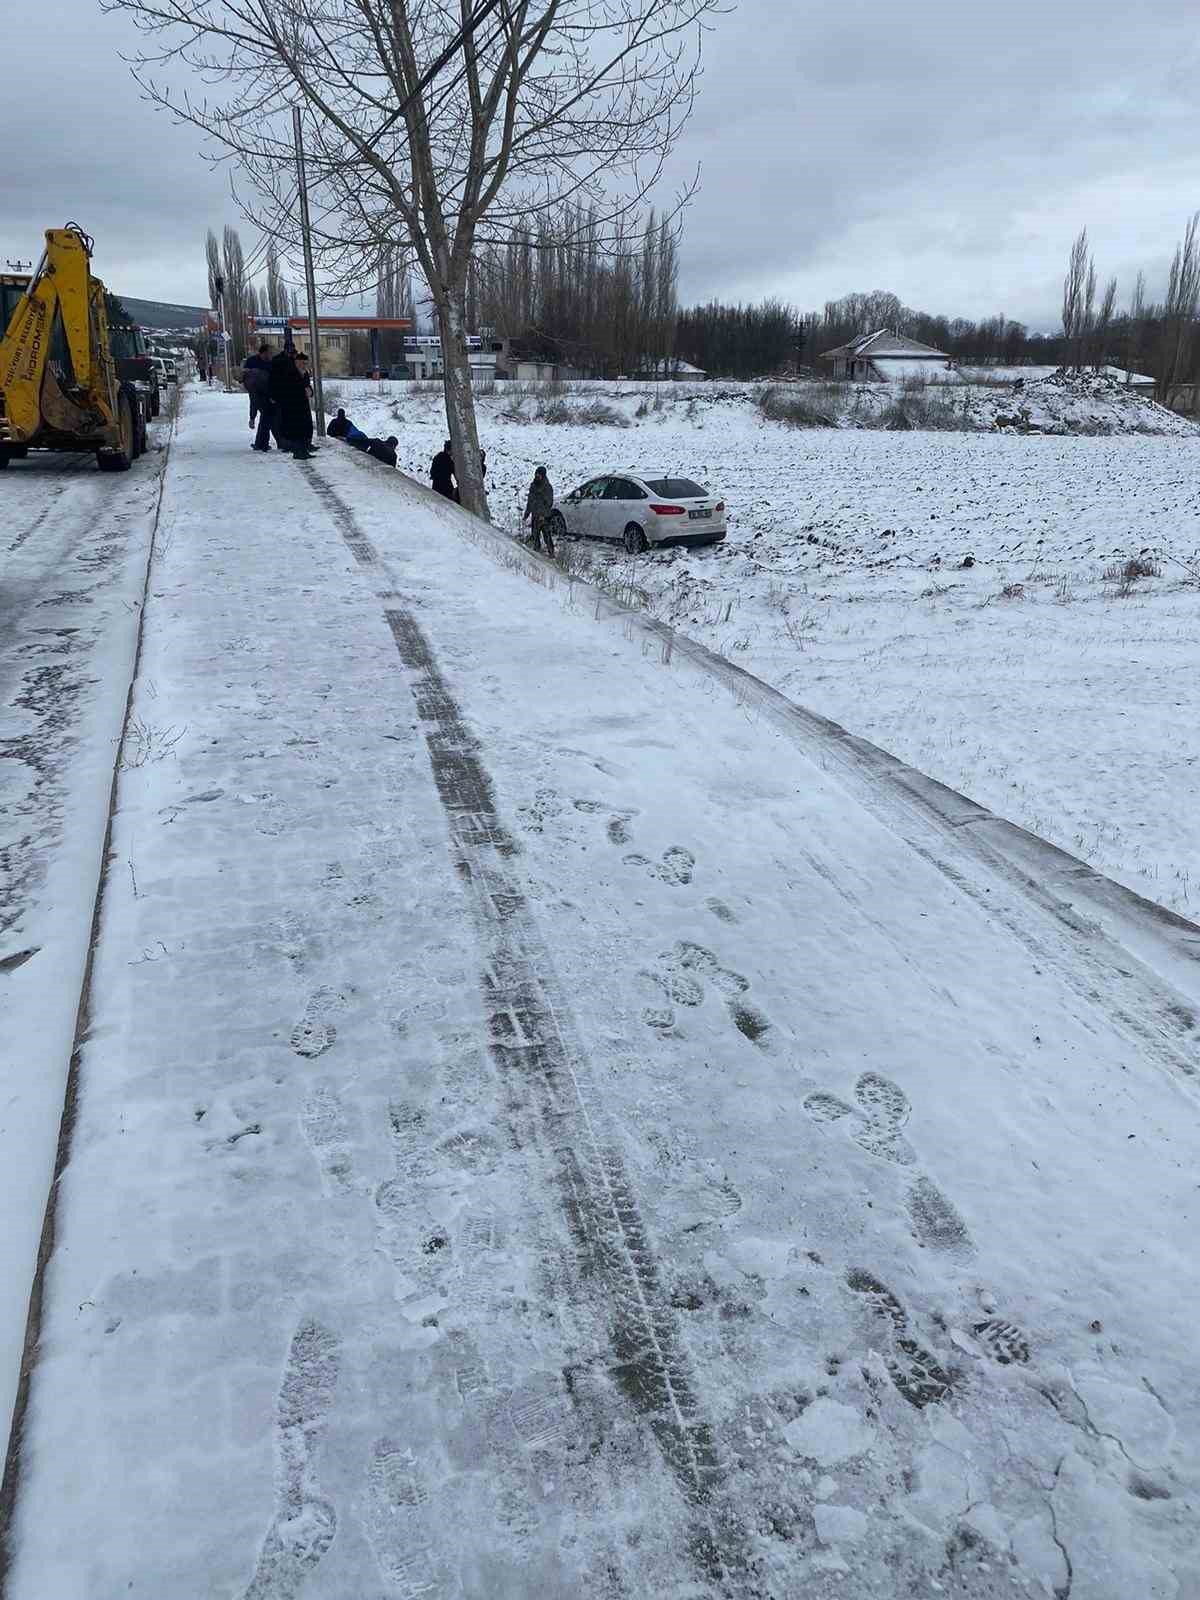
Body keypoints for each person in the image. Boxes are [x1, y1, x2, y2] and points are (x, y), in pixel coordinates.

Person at [268, 347, 316, 460]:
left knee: (304, 428)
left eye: (306, 363)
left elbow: (307, 387)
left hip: (303, 405)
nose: (304, 365)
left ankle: (303, 450)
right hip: (292, 405)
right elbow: (288, 388)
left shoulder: (304, 373)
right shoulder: (290, 373)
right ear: (297, 362)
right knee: (296, 429)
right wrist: (303, 390)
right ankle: (298, 451)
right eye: (302, 363)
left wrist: (310, 391)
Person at [242, 342, 274, 451]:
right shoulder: (252, 361)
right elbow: (245, 376)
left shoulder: (270, 362)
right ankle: (262, 444)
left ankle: (261, 443)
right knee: (266, 417)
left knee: (267, 418)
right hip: (256, 392)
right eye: (269, 353)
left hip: (268, 393)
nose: (270, 355)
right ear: (263, 353)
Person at [523, 466, 556, 556]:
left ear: (543, 476)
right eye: (536, 474)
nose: (537, 476)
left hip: (544, 517)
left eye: (539, 475)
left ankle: (551, 553)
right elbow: (530, 501)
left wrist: (543, 515)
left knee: (547, 536)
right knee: (535, 535)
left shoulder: (547, 487)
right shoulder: (533, 486)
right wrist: (526, 514)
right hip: (535, 515)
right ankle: (536, 554)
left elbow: (549, 503)